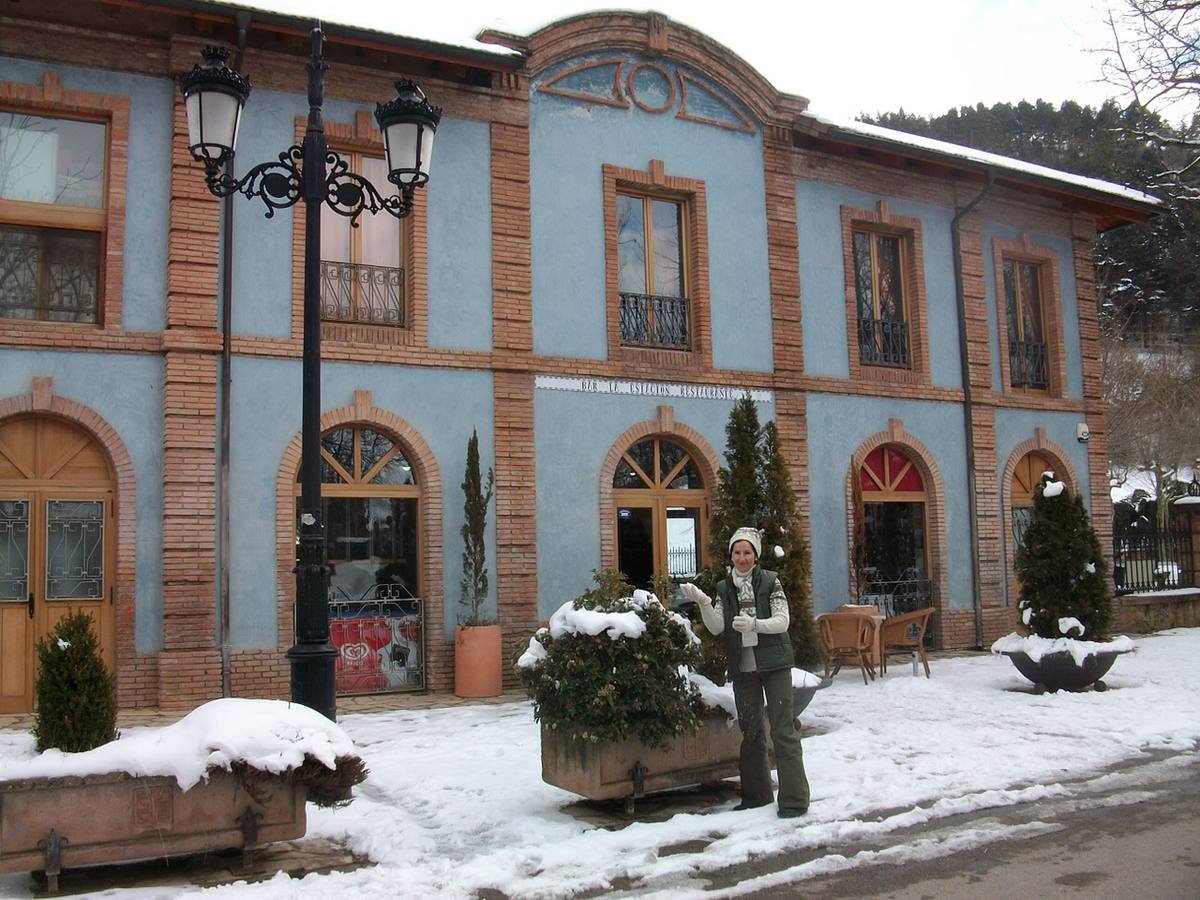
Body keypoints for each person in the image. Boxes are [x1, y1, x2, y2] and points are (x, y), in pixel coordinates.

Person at [680, 526, 809, 818]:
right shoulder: (725, 587)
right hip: (743, 668)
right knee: (750, 732)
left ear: (756, 555)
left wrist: (755, 625)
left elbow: (782, 621)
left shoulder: (771, 582)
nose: (742, 558)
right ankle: (755, 796)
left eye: (747, 552)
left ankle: (794, 801)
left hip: (774, 665)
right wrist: (702, 601)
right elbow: (717, 626)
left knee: (783, 730)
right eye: (737, 552)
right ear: (731, 555)